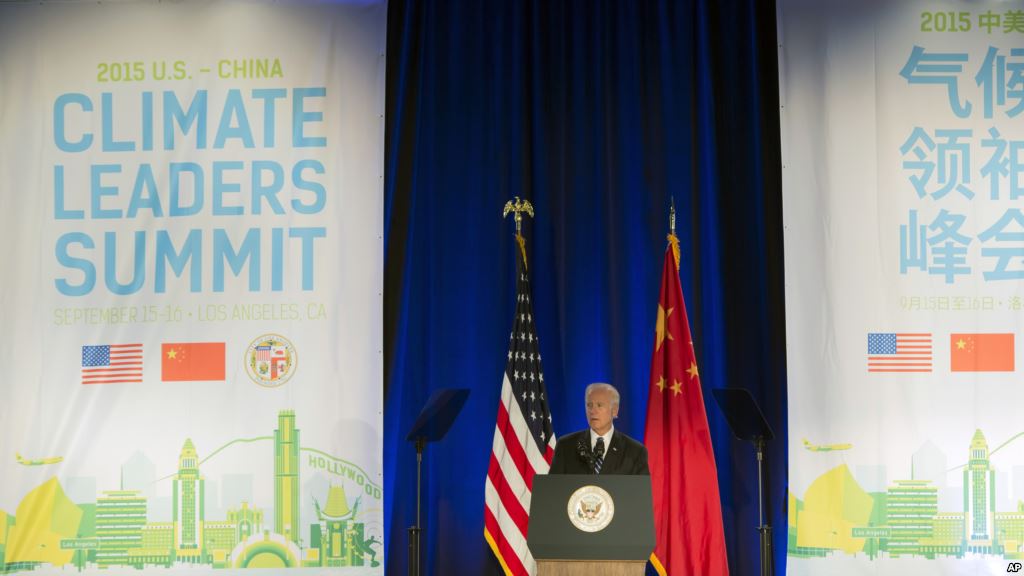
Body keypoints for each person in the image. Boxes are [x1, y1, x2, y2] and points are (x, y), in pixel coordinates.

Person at [549, 383, 649, 475]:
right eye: (589, 405)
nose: (592, 411)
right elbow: (554, 490)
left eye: (599, 405)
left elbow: (640, 493)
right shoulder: (565, 446)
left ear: (614, 410)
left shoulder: (635, 452)